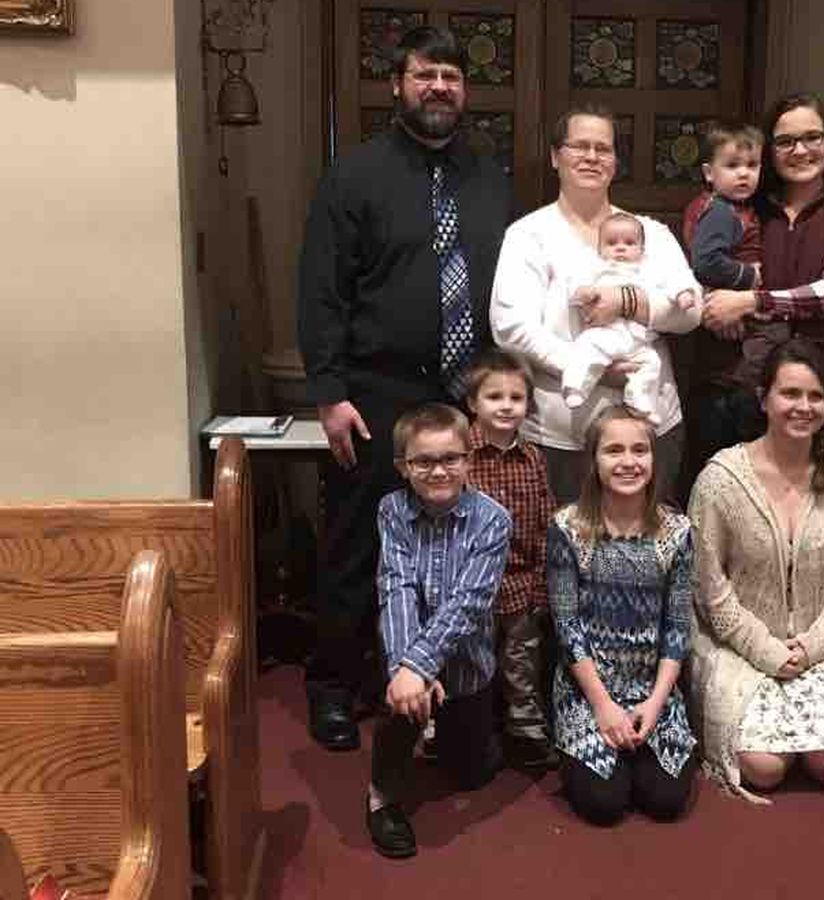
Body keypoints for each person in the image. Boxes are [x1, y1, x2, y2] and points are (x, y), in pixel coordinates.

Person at [296, 25, 510, 750]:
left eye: (451, 75)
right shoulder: (353, 176)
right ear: (398, 85)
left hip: (465, 396)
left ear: (465, 90)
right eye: (425, 74)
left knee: (459, 548)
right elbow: (321, 288)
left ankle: (449, 685)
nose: (438, 86)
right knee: (358, 544)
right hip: (376, 392)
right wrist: (329, 392)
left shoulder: (489, 178)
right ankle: (335, 686)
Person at [687, 339, 824, 803]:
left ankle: (810, 740)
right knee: (763, 768)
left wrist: (812, 646)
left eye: (816, 396)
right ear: (763, 399)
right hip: (739, 645)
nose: (804, 407)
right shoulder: (721, 479)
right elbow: (708, 587)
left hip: (820, 647)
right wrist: (766, 650)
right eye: (790, 393)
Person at [491, 103, 701, 503]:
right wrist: (593, 367)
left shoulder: (649, 233)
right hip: (561, 436)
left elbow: (690, 312)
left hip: (649, 433)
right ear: (555, 157)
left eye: (603, 148)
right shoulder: (528, 235)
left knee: (649, 539)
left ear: (615, 162)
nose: (591, 156)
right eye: (579, 146)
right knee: (563, 541)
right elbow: (511, 328)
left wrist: (627, 301)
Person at [685, 93, 824, 498]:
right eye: (786, 141)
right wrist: (711, 300)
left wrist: (751, 301)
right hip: (731, 382)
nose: (800, 150)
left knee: (798, 507)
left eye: (812, 137)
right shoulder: (744, 204)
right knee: (716, 501)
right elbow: (695, 264)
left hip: (805, 394)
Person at [368, 403, 511, 858]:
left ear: (469, 459)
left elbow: (468, 604)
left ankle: (454, 735)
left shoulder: (493, 519)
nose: (438, 471)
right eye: (423, 461)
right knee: (401, 705)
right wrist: (407, 669)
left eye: (450, 458)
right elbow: (397, 589)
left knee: (471, 774)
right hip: (406, 656)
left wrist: (421, 663)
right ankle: (381, 796)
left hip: (467, 664)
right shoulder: (392, 510)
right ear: (402, 466)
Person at [547, 406, 698, 825]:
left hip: (652, 686)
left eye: (639, 450)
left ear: (654, 459)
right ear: (594, 461)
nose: (628, 462)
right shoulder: (567, 527)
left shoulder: (677, 531)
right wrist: (602, 706)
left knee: (664, 801)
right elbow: (566, 625)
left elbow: (677, 627)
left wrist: (657, 701)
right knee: (604, 804)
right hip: (588, 687)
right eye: (614, 450)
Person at [462, 349, 558, 768]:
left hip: (520, 582)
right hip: (470, 585)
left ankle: (525, 728)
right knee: (471, 658)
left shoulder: (533, 458)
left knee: (522, 659)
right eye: (494, 396)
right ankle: (466, 727)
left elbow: (545, 522)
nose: (506, 406)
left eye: (516, 398)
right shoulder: (460, 454)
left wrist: (540, 582)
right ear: (473, 403)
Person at [561, 212, 696, 423]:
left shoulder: (649, 270)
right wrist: (584, 293)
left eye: (629, 243)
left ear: (642, 249)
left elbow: (674, 280)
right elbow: (575, 287)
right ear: (600, 249)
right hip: (604, 332)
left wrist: (683, 293)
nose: (620, 248)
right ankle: (575, 387)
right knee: (586, 351)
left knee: (652, 364)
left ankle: (639, 400)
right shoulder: (597, 267)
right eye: (611, 243)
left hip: (637, 340)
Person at [683, 122, 788, 391]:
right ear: (709, 173)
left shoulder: (735, 207)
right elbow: (706, 263)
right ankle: (749, 392)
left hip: (733, 307)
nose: (743, 173)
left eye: (752, 165)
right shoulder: (720, 212)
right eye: (732, 165)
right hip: (735, 307)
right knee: (774, 338)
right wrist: (750, 275)